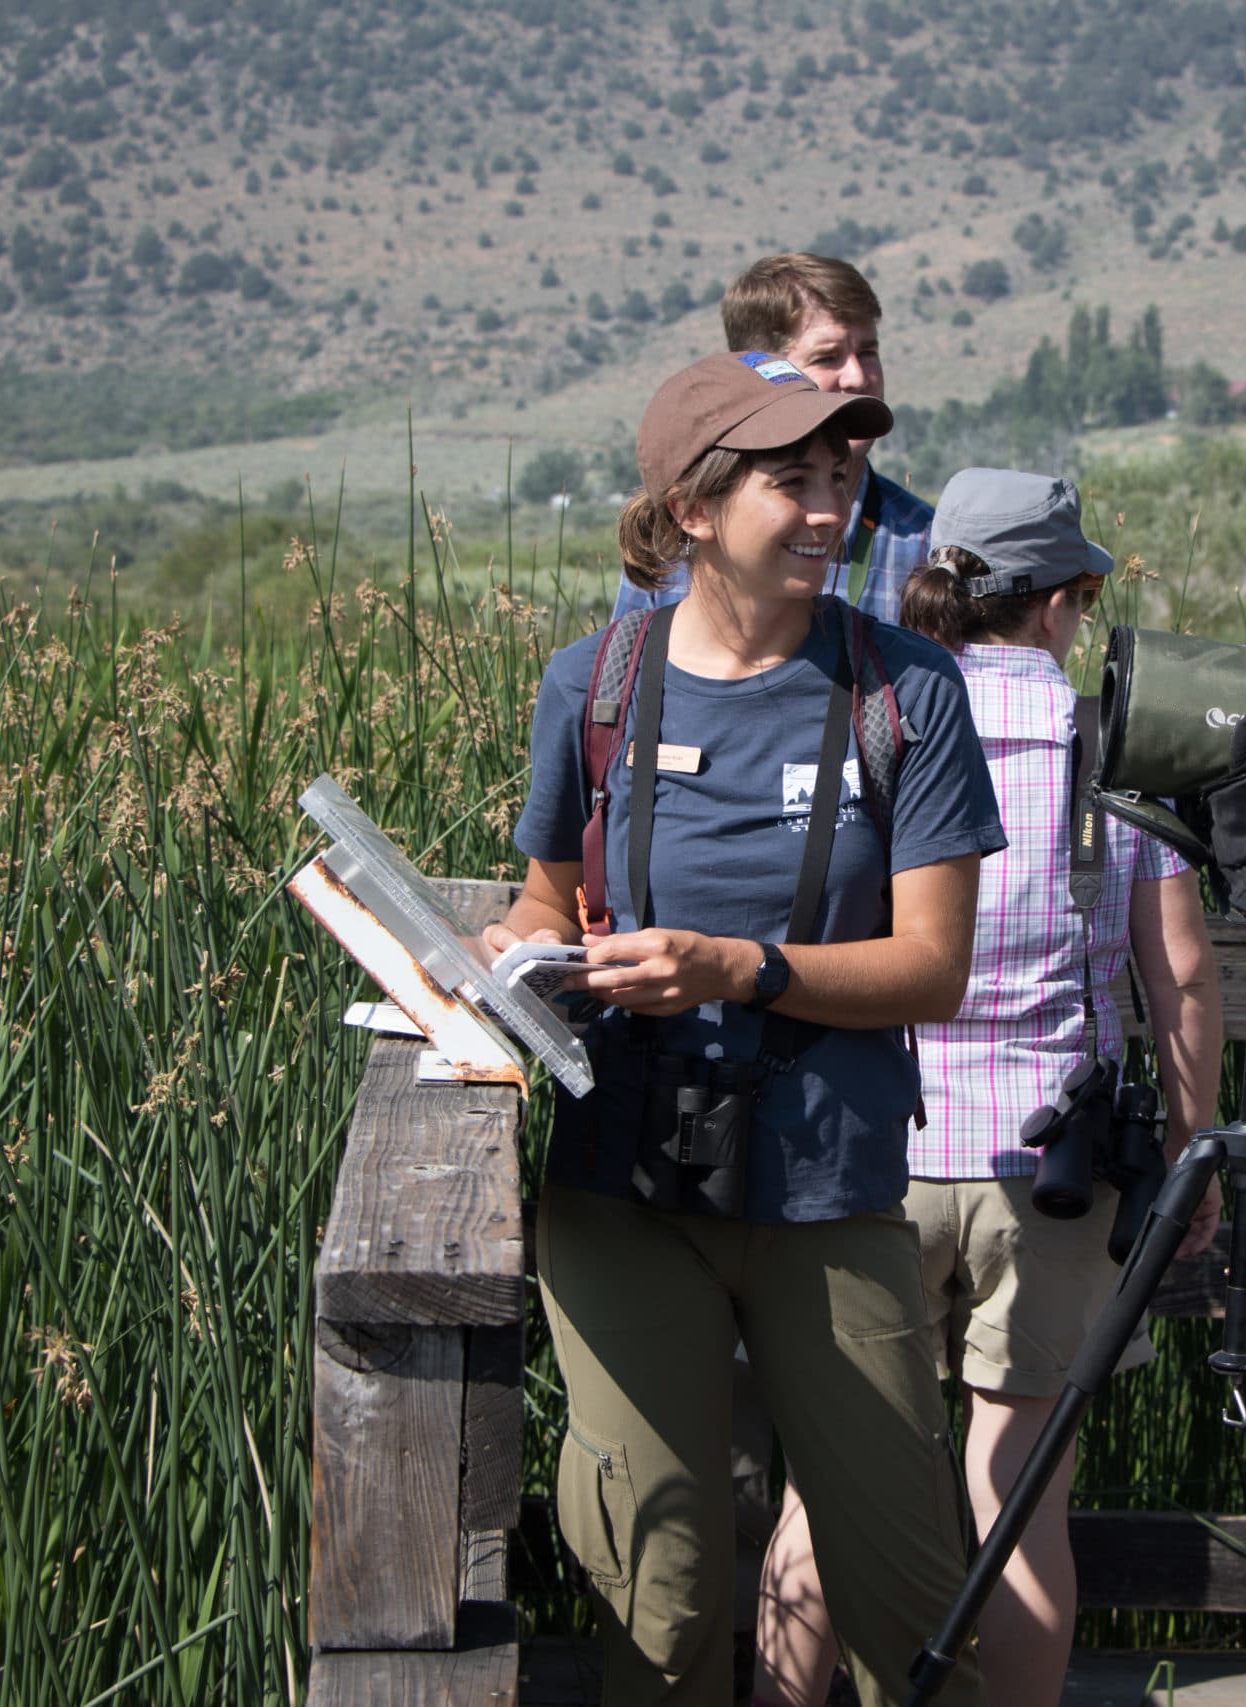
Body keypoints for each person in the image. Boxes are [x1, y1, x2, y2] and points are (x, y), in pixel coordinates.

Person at [489, 349, 1006, 1707]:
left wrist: (738, 965)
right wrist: (507, 959)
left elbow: (933, 968)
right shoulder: (590, 685)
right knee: (654, 1597)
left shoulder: (907, 691)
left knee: (909, 1598)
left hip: (829, 1189)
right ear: (694, 505)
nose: (833, 503)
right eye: (795, 477)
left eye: (843, 472)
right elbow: (545, 898)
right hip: (619, 1189)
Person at [751, 469, 1229, 1707]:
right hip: (1050, 1174)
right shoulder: (1111, 751)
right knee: (1022, 1500)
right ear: (1066, 600)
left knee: (823, 1489)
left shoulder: (868, 720)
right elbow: (1180, 977)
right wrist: (1188, 1154)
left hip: (869, 1162)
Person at [615, 253, 934, 626]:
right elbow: (623, 673)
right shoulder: (679, 538)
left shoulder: (926, 543)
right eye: (828, 357)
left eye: (868, 352)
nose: (858, 377)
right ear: (760, 370)